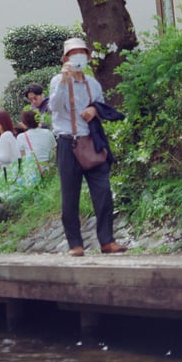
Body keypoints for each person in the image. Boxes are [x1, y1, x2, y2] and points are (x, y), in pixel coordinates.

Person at [49, 37, 127, 257]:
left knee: (103, 192)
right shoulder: (57, 80)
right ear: (66, 59)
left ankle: (107, 241)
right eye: (73, 54)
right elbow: (53, 107)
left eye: (81, 52)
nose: (78, 57)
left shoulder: (93, 83)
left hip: (91, 141)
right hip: (67, 141)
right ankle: (75, 244)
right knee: (70, 195)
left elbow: (101, 105)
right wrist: (65, 81)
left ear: (88, 56)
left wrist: (94, 109)